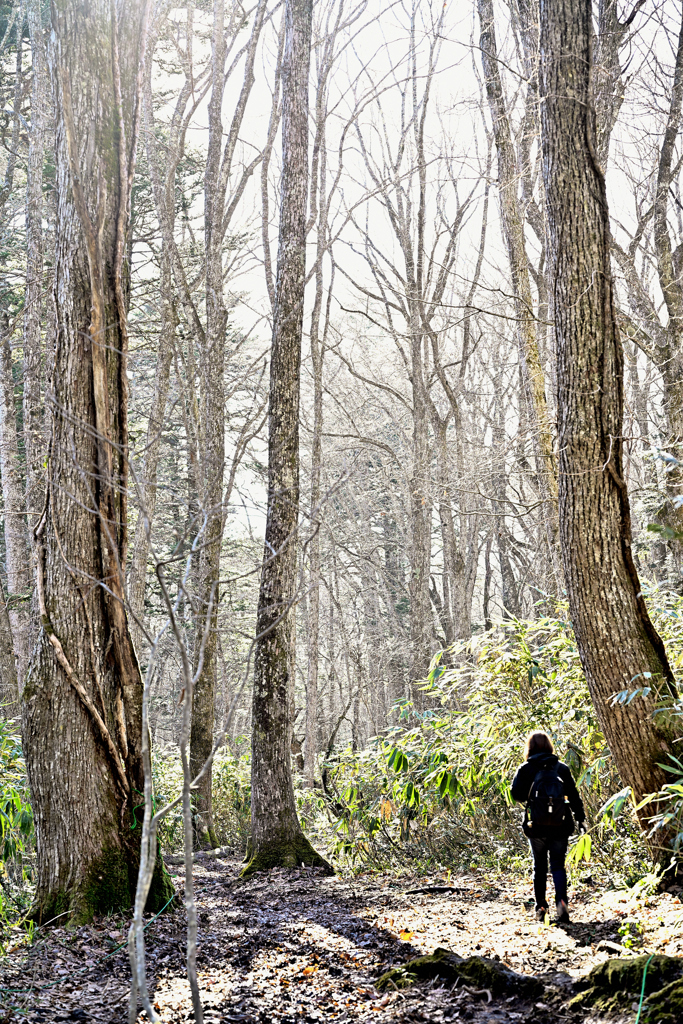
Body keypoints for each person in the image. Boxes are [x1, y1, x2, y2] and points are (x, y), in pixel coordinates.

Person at [511, 730, 585, 923]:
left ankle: (541, 908)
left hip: (535, 825)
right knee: (558, 865)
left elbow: (516, 795)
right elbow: (574, 796)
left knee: (540, 867)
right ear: (549, 746)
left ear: (530, 747)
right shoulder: (561, 768)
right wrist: (580, 818)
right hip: (561, 824)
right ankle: (562, 905)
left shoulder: (526, 769)